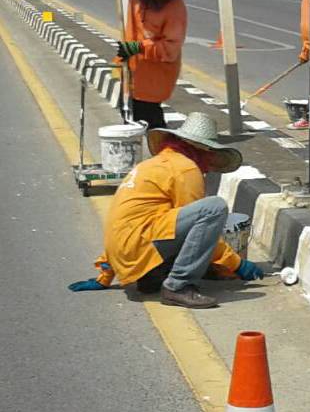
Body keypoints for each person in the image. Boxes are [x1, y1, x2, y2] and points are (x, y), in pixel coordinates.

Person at [67, 112, 264, 309]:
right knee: (214, 208)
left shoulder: (151, 165)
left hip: (125, 253)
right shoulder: (186, 169)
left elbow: (123, 224)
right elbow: (200, 227)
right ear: (203, 151)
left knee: (182, 220)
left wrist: (105, 275)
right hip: (139, 245)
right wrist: (236, 263)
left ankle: (153, 274)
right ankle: (178, 286)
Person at [104, 0, 189, 131]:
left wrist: (139, 47)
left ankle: (161, 147)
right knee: (127, 111)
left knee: (148, 117)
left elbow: (171, 48)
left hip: (154, 73)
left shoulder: (175, 8)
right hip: (131, 67)